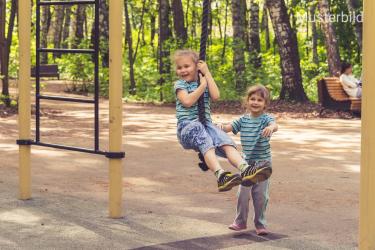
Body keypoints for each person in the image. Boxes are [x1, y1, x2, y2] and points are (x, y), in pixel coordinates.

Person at [173, 49, 272, 192]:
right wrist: (202, 86)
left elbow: (216, 95)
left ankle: (245, 169)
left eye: (186, 66)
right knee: (204, 137)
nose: (183, 70)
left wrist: (207, 74)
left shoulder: (204, 80)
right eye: (179, 67)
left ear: (197, 66)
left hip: (206, 125)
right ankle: (220, 175)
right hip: (187, 127)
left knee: (226, 141)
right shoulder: (180, 85)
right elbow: (187, 101)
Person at [218, 85, 277, 235]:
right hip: (246, 164)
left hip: (263, 164)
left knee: (260, 196)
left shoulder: (266, 119)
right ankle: (240, 222)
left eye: (259, 100)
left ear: (265, 104)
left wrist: (271, 128)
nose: (255, 102)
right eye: (252, 99)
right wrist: (219, 127)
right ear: (247, 101)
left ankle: (260, 224)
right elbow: (228, 127)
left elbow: (274, 124)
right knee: (243, 194)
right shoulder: (243, 120)